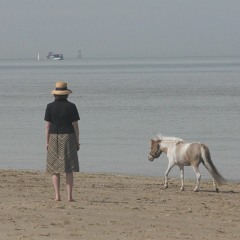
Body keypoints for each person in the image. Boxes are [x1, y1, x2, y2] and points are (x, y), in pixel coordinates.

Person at [44, 81, 80, 202]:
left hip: (54, 136)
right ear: (66, 94)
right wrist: (77, 141)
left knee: (55, 168)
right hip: (69, 136)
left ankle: (57, 196)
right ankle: (69, 197)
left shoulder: (50, 106)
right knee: (69, 168)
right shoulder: (72, 106)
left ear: (55, 94)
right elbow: (75, 125)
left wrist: (47, 142)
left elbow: (47, 126)